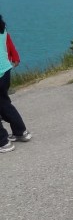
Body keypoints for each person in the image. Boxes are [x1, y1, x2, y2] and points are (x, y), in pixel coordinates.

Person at [0, 15, 32, 153]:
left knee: (3, 103)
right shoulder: (2, 27)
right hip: (5, 70)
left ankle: (3, 141)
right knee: (4, 103)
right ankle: (21, 132)